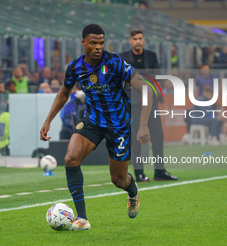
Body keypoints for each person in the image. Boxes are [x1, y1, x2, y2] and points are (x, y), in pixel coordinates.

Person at [40, 24, 152, 230]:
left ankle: (132, 190)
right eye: (93, 43)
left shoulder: (115, 62)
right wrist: (48, 119)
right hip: (92, 121)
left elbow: (146, 88)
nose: (98, 47)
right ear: (83, 42)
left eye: (101, 42)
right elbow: (64, 93)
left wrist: (143, 124)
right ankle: (82, 218)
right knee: (70, 158)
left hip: (119, 126)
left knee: (118, 180)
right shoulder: (75, 67)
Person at [119, 29, 177, 182]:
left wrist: (136, 82)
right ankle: (138, 172)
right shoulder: (123, 57)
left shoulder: (151, 56)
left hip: (151, 102)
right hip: (134, 103)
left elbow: (157, 76)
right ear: (130, 41)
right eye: (135, 39)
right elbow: (120, 79)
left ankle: (160, 171)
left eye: (140, 38)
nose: (138, 41)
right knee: (136, 137)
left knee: (158, 135)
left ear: (143, 40)